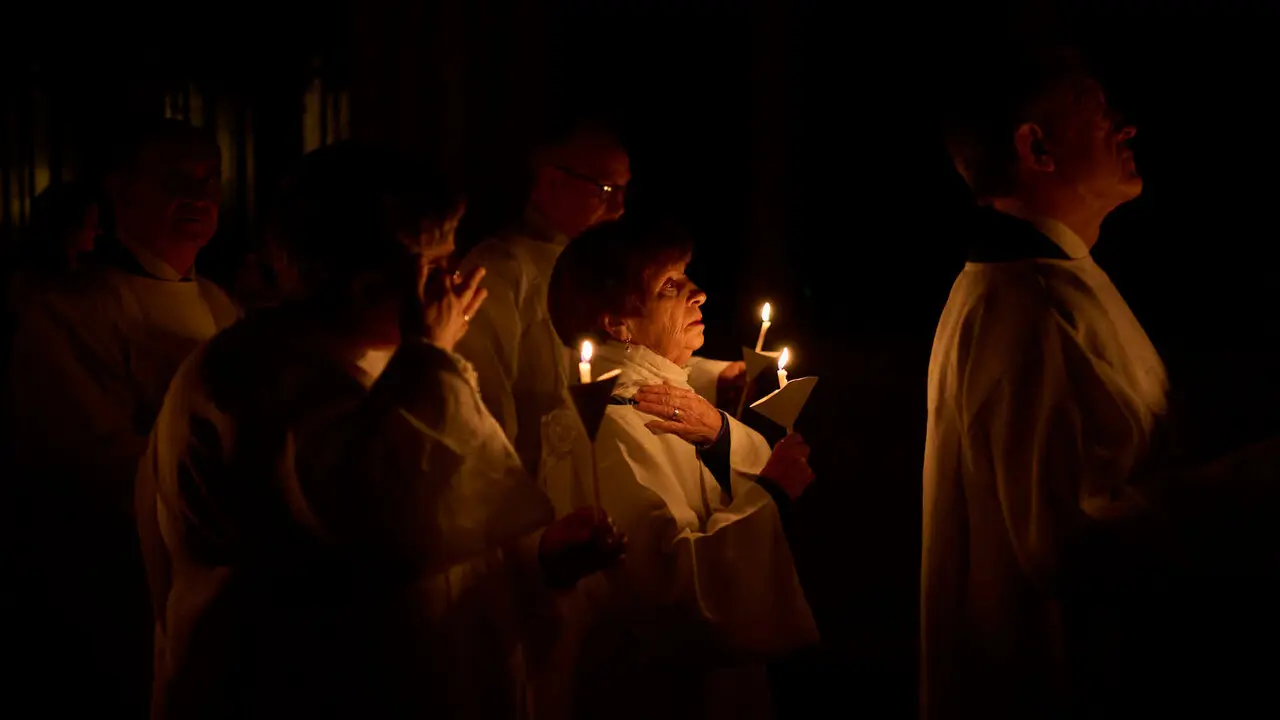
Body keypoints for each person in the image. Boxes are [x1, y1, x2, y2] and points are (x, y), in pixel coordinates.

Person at [135, 142, 625, 719]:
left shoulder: (384, 362)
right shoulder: (253, 379)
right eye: (436, 265)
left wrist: (537, 559)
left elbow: (440, 538)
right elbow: (383, 529)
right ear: (366, 277)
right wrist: (431, 357)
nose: (451, 286)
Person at [922, 47, 1280, 718]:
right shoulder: (1029, 305)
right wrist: (1253, 483)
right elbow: (1064, 543)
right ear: (1037, 147)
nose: (1126, 127)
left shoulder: (1044, 285)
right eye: (1097, 110)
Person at [5, 117, 237, 717]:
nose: (199, 194)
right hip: (114, 583)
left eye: (209, 178)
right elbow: (85, 457)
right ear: (121, 190)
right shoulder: (72, 310)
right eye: (175, 179)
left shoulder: (218, 302)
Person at [542, 217, 818, 720]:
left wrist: (723, 434)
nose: (701, 294)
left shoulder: (664, 399)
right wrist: (771, 495)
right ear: (616, 324)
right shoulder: (606, 426)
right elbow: (667, 589)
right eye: (672, 284)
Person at [455, 118, 745, 479]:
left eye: (624, 189)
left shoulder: (608, 265)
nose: (620, 205)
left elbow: (625, 356)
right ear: (551, 182)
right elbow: (487, 402)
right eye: (606, 188)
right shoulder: (498, 271)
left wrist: (716, 376)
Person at [5, 180, 99, 310]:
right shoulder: (34, 284)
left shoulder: (86, 270)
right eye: (92, 226)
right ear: (70, 227)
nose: (98, 232)